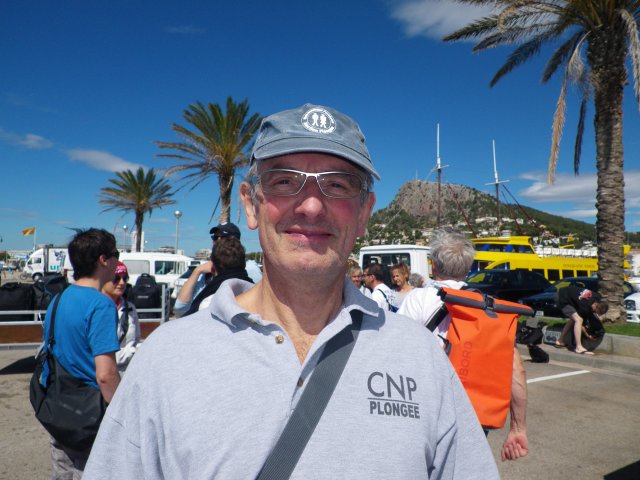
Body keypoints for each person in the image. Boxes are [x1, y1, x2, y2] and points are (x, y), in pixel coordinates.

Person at [84, 103, 498, 479]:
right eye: (284, 181)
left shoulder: (421, 359)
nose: (311, 206)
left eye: (337, 185)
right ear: (250, 204)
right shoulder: (166, 359)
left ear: (364, 214)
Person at [399, 227, 529, 462]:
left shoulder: (417, 299)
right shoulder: (488, 307)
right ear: (468, 268)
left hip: (428, 410)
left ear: (433, 266)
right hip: (473, 412)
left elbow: (399, 356)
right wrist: (518, 428)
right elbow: (516, 370)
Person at [41, 228, 121, 478]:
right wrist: (123, 414)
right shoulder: (101, 305)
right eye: (116, 255)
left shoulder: (58, 299)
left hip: (57, 406)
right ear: (103, 260)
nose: (117, 261)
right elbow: (106, 375)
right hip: (88, 416)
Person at [182, 235, 254, 316]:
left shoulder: (208, 303)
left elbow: (180, 307)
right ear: (244, 265)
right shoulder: (256, 294)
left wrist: (197, 271)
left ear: (213, 269)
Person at [101, 262, 141, 374]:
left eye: (125, 278)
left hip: (128, 373)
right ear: (104, 279)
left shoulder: (130, 308)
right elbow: (102, 354)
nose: (122, 283)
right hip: (105, 375)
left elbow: (136, 339)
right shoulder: (96, 309)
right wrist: (134, 352)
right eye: (116, 278)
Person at [555, 283, 609, 355]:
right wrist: (587, 335)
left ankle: (559, 341)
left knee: (573, 319)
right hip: (562, 298)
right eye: (595, 311)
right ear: (596, 305)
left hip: (567, 294)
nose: (594, 312)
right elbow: (581, 325)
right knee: (578, 320)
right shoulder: (584, 306)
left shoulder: (597, 297)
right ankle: (578, 347)